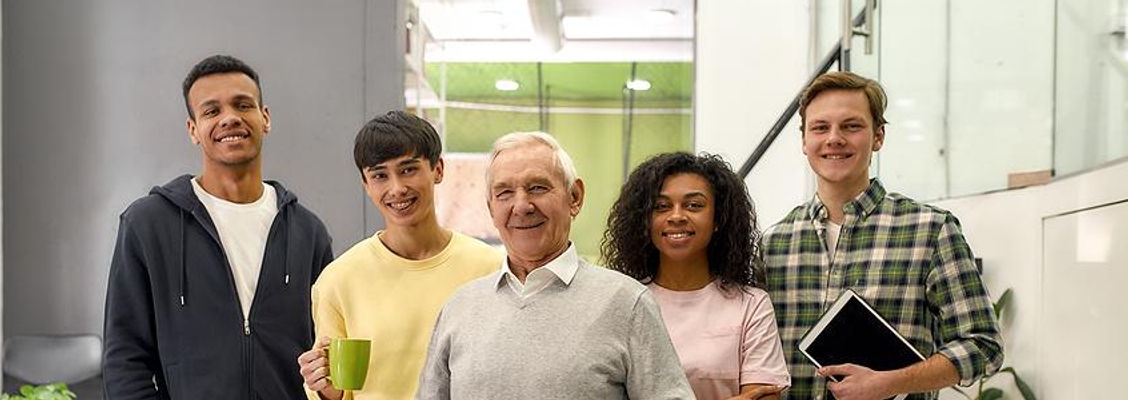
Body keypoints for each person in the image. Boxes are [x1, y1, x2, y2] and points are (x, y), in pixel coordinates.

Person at [102, 54, 335, 399]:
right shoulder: (147, 225)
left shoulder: (308, 232)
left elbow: (326, 353)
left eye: (243, 105)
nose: (230, 118)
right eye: (212, 111)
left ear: (265, 118)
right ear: (193, 129)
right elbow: (124, 360)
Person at [762, 71, 1003, 400]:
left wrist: (893, 382)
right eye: (820, 127)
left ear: (878, 137)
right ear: (804, 142)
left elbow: (983, 345)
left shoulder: (930, 230)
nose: (834, 138)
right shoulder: (773, 244)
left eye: (851, 126)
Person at [416, 132, 694, 399]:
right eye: (504, 193)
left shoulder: (627, 304)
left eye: (537, 187)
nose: (522, 205)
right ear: (491, 208)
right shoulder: (459, 308)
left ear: (574, 197)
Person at [296, 111, 502, 400]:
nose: (397, 188)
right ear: (366, 185)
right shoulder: (338, 281)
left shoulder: (489, 268)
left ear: (438, 169)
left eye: (408, 169)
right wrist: (329, 392)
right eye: (380, 175)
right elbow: (335, 390)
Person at [603, 152, 790, 400]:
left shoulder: (751, 306)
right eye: (661, 206)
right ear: (644, 221)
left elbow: (765, 397)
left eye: (694, 205)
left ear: (718, 219)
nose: (677, 216)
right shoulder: (622, 303)